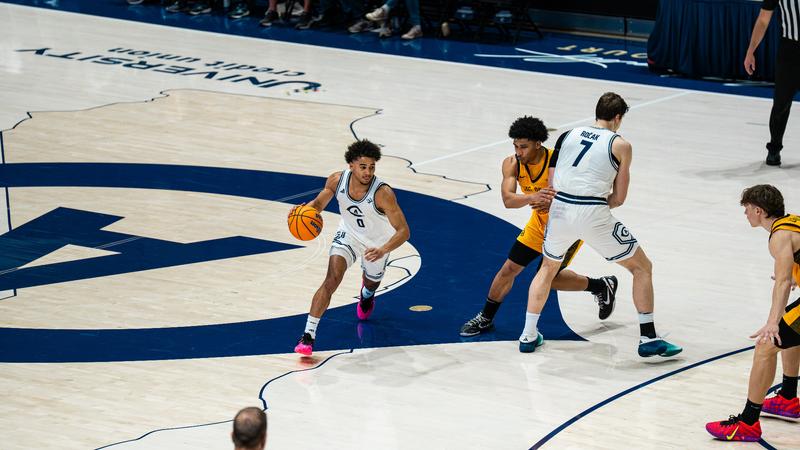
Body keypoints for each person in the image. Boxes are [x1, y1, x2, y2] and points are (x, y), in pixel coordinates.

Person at [518, 92, 683, 356]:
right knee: (642, 268)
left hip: (559, 208)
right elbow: (619, 197)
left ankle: (528, 335)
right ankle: (649, 338)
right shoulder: (621, 145)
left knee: (547, 269)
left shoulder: (567, 135)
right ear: (618, 117)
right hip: (591, 210)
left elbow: (551, 183)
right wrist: (596, 206)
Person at [459, 116, 619, 338]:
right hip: (539, 224)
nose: (518, 152)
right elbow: (508, 200)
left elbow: (581, 191)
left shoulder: (560, 161)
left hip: (568, 227)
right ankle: (485, 318)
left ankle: (599, 286)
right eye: (515, 146)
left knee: (549, 280)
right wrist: (533, 197)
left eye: (523, 147)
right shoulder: (512, 163)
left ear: (538, 144)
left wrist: (553, 200)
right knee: (508, 269)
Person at [293, 139, 410, 356]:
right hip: (348, 235)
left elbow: (404, 231)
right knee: (331, 279)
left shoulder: (383, 193)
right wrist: (305, 211)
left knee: (371, 282)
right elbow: (319, 204)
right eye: (363, 166)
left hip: (377, 244)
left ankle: (367, 294)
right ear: (351, 165)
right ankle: (308, 336)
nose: (368, 172)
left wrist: (383, 249)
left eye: (372, 167)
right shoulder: (337, 181)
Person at [706, 185, 800, 442]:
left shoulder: (779, 236)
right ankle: (788, 398)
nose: (746, 214)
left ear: (759, 210)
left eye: (747, 209)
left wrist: (771, 322)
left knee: (767, 344)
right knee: (789, 333)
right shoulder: (793, 222)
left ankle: (747, 423)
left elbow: (781, 282)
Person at [743, 0, 800, 167]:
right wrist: (751, 50)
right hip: (790, 50)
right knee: (781, 102)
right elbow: (763, 19)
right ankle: (774, 147)